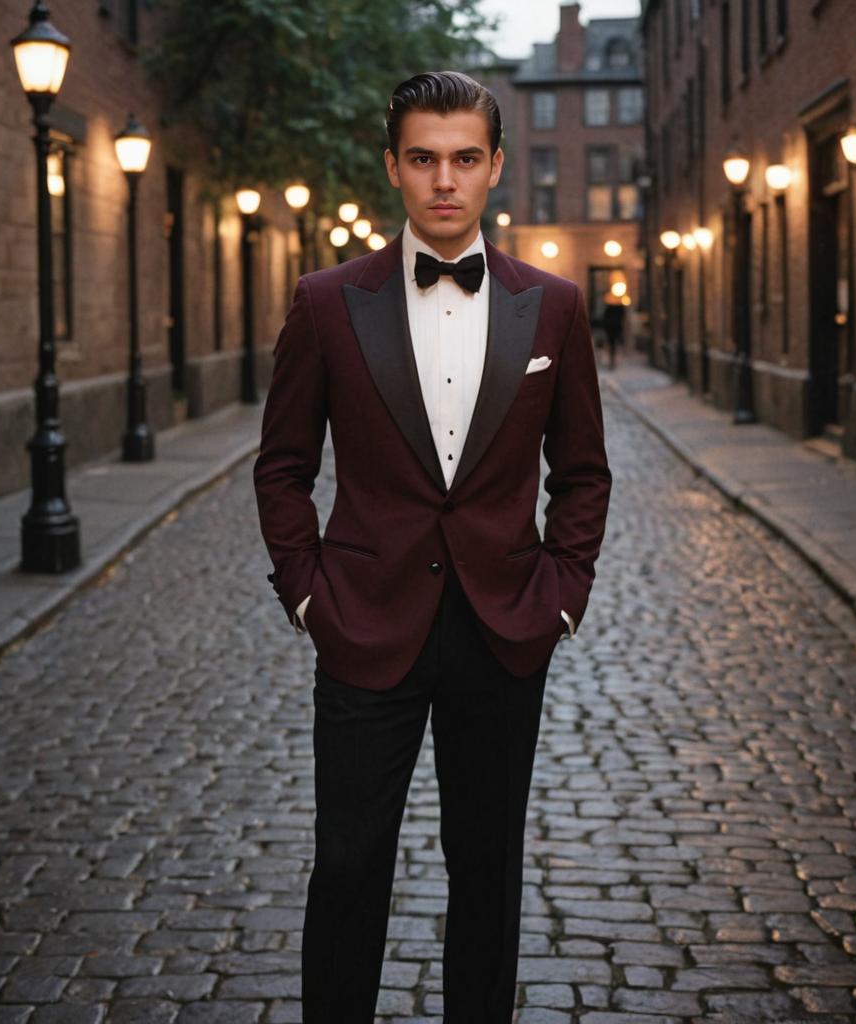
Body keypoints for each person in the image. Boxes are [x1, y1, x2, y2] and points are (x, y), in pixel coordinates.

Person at [253, 70, 611, 1024]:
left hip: (503, 630)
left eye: (463, 159)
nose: (443, 180)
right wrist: (306, 594)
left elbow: (583, 473)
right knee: (348, 865)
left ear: (495, 166)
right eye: (422, 159)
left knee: (487, 868)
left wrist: (562, 594)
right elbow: (282, 466)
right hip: (364, 627)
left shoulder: (557, 307)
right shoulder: (329, 303)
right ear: (392, 168)